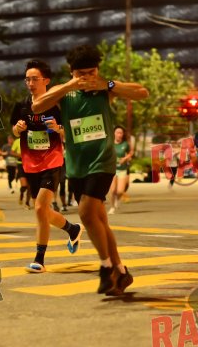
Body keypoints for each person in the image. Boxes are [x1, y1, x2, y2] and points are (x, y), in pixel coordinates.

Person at [31, 44, 148, 296]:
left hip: (102, 161)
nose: (87, 77)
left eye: (91, 72)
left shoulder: (105, 89)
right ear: (71, 72)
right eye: (81, 73)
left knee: (85, 213)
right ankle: (121, 272)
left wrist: (107, 84)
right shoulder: (65, 93)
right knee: (100, 220)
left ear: (98, 70)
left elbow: (142, 92)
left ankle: (105, 268)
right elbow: (37, 106)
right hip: (77, 166)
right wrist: (69, 86)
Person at [11, 59, 84, 273]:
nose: (30, 83)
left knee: (40, 208)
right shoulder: (22, 105)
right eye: (27, 79)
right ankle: (72, 229)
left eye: (35, 79)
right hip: (30, 162)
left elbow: (71, 132)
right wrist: (18, 129)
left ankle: (39, 259)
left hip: (52, 160)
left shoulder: (57, 105)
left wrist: (58, 128)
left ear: (46, 81)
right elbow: (13, 132)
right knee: (42, 210)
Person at [108, 126, 133, 215]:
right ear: (114, 133)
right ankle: (112, 207)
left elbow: (130, 153)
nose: (119, 134)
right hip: (112, 169)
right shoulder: (110, 144)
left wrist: (125, 158)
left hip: (122, 169)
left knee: (120, 191)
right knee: (112, 190)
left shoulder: (125, 144)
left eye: (121, 133)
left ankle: (117, 199)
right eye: (117, 132)